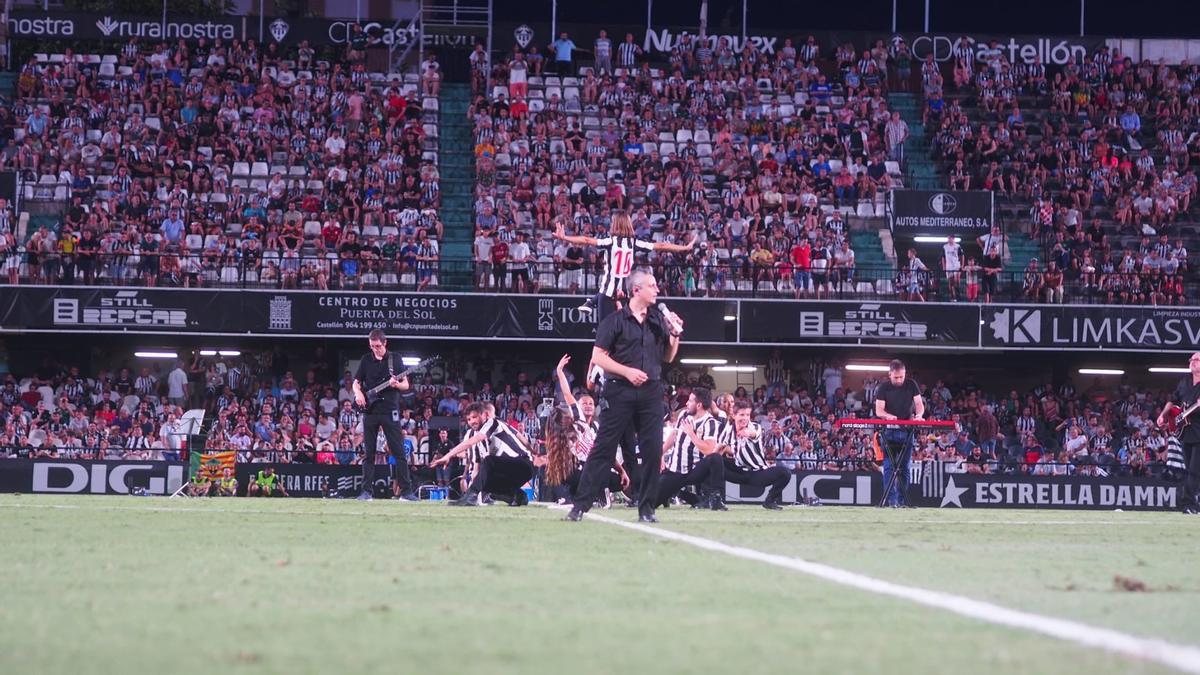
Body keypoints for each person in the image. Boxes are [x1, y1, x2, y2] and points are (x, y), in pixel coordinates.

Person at [564, 268, 681, 523]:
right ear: (636, 290)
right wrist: (627, 372)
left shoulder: (658, 320)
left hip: (651, 390)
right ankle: (580, 505)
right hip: (619, 390)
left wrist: (674, 334)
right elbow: (598, 357)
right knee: (604, 448)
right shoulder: (615, 321)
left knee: (652, 450)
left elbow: (668, 357)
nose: (657, 290)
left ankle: (647, 508)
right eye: (652, 286)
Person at [352, 329, 418, 501]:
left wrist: (396, 385)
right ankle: (366, 492)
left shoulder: (395, 359)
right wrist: (358, 394)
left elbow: (406, 385)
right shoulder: (366, 359)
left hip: (390, 410)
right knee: (369, 453)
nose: (375, 349)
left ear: (385, 343)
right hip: (370, 410)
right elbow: (356, 383)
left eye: (378, 346)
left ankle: (406, 492)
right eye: (372, 346)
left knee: (398, 452)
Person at [430, 402, 535, 506]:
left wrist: (448, 455)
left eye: (474, 417)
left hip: (523, 464)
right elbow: (477, 468)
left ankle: (470, 498)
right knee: (484, 481)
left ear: (485, 415)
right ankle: (518, 496)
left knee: (489, 461)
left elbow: (471, 442)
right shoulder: (478, 440)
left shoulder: (492, 423)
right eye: (469, 419)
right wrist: (473, 484)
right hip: (509, 471)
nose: (472, 422)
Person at [656, 388, 727, 510]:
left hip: (695, 470)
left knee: (715, 458)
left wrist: (692, 434)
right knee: (651, 501)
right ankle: (694, 499)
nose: (686, 404)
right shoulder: (684, 415)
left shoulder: (710, 423)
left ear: (699, 405)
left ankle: (716, 498)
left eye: (690, 401)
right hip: (675, 470)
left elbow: (709, 451)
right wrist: (659, 454)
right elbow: (674, 435)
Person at [720, 400, 790, 510]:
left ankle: (770, 501)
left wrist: (748, 433)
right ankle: (712, 499)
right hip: (738, 471)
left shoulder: (756, 427)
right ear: (734, 415)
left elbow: (754, 434)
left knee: (785, 473)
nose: (745, 418)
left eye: (747, 415)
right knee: (711, 462)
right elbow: (719, 448)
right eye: (742, 414)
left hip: (757, 473)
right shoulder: (728, 430)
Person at [873, 359, 924, 508]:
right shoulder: (883, 387)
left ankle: (902, 501)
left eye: (901, 377)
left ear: (905, 373)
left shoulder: (911, 384)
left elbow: (919, 404)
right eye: (896, 377)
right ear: (890, 374)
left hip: (907, 430)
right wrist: (887, 416)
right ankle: (891, 502)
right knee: (889, 467)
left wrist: (919, 415)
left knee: (905, 467)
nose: (899, 380)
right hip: (889, 430)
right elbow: (878, 410)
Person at [1157, 352, 1200, 514]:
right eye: (1191, 360)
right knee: (1190, 470)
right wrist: (1163, 415)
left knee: (1195, 470)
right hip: (1185, 431)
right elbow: (1173, 401)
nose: (1192, 362)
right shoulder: (1185, 381)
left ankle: (1188, 504)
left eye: (1196, 360)